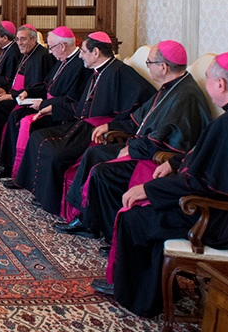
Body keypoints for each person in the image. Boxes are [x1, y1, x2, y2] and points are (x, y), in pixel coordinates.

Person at [94, 52, 228, 317]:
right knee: (150, 210)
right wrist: (175, 163)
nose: (206, 86)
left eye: (208, 79)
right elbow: (212, 162)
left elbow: (202, 184)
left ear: (221, 84)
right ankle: (158, 286)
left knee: (136, 218)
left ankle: (138, 297)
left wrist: (148, 190)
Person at [55, 41, 212, 239]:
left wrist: (132, 148)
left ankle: (112, 232)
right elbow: (139, 119)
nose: (148, 66)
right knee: (93, 153)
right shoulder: (170, 87)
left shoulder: (186, 95)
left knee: (103, 172)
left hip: (157, 157)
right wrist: (111, 126)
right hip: (143, 146)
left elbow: (169, 140)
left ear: (163, 67)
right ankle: (86, 219)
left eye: (150, 63)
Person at [11, 32, 156, 215]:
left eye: (84, 52)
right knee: (38, 136)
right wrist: (53, 109)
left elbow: (144, 104)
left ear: (96, 52)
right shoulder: (97, 72)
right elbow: (81, 105)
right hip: (81, 125)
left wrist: (113, 126)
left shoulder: (121, 72)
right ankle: (41, 194)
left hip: (95, 131)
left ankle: (53, 202)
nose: (80, 56)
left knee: (55, 152)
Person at [0, 27, 90, 182]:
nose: (49, 51)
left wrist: (43, 103)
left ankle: (22, 173)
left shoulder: (80, 66)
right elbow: (46, 85)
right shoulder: (62, 60)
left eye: (51, 47)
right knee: (16, 115)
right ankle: (9, 166)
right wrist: (27, 92)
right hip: (46, 104)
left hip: (59, 113)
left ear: (62, 46)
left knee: (23, 120)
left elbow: (71, 100)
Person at [0, 25, 54, 163]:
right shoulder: (26, 53)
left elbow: (36, 87)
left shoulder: (42, 56)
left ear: (33, 39)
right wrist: (5, 90)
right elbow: (15, 79)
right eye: (17, 39)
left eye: (23, 39)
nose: (19, 43)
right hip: (15, 94)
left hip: (26, 99)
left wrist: (11, 96)